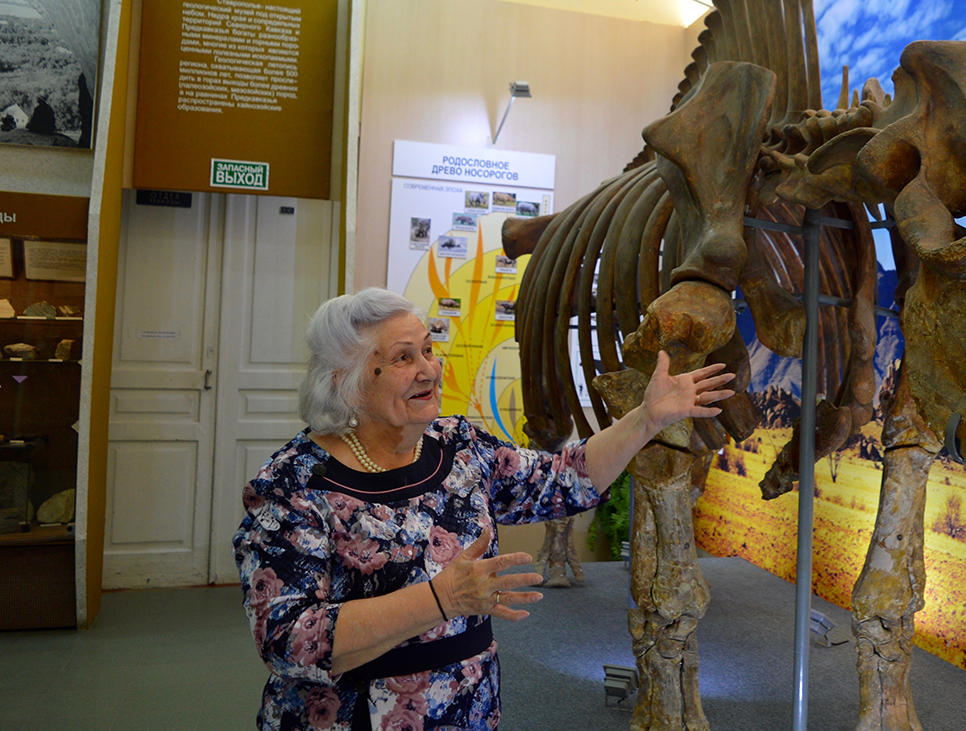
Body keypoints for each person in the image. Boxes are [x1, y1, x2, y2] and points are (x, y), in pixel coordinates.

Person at [233, 288, 732, 731]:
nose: (429, 369)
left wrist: (646, 420)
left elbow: (565, 479)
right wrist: (441, 598)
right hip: (351, 715)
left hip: (469, 707)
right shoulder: (292, 485)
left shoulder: (459, 445)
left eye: (428, 350)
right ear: (347, 378)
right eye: (404, 358)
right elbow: (286, 638)